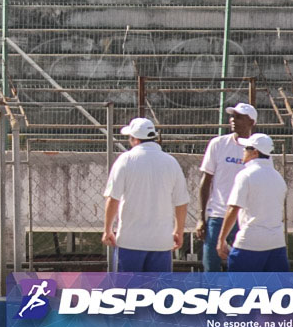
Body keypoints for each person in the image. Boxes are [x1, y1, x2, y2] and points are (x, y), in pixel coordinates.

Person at [102, 117, 190, 272]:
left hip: (130, 241)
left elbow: (113, 198)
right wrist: (178, 231)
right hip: (161, 242)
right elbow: (181, 202)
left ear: (134, 138)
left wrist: (107, 229)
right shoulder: (171, 162)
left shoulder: (125, 160)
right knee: (158, 295)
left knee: (127, 293)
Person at [195, 102, 257, 272]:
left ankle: (238, 298)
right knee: (210, 266)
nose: (233, 120)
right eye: (232, 116)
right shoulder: (218, 144)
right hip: (217, 217)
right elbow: (206, 181)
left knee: (241, 268)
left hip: (244, 218)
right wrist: (201, 217)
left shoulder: (258, 148)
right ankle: (213, 298)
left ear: (251, 122)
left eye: (239, 117)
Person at [217, 133, 290, 272]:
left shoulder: (246, 175)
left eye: (246, 148)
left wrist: (221, 239)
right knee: (275, 292)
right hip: (276, 244)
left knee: (240, 292)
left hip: (249, 243)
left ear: (255, 152)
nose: (243, 151)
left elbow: (233, 209)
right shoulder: (277, 177)